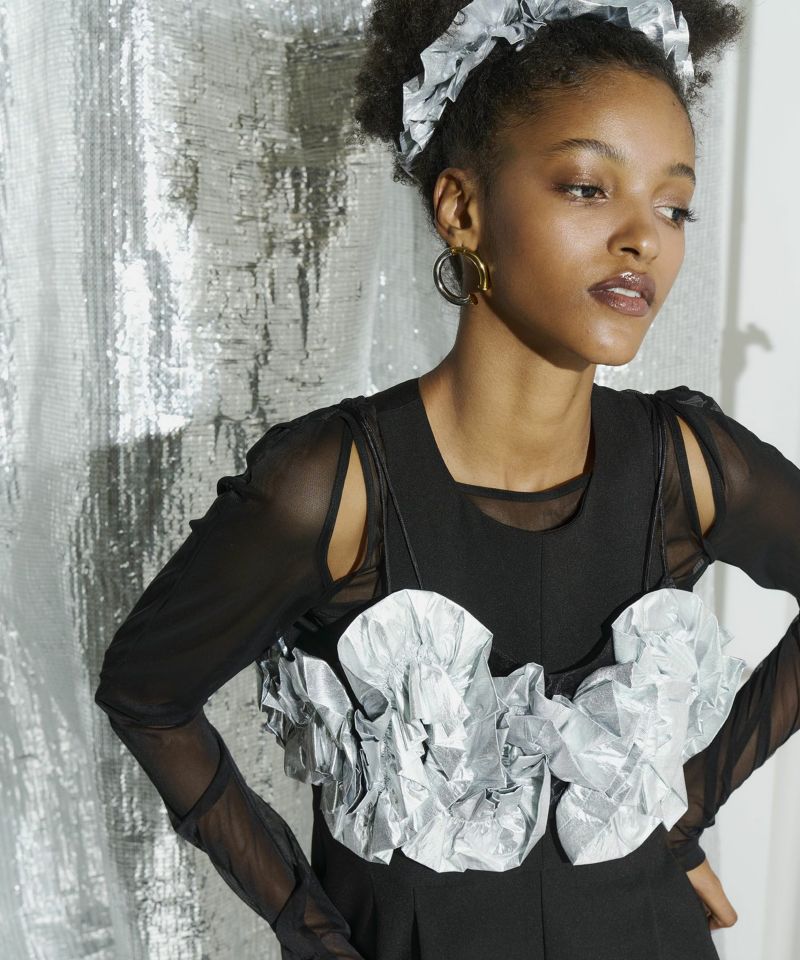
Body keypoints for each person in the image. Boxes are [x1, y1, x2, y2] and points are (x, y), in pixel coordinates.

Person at [94, 2, 800, 959]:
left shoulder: (690, 465)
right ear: (462, 210)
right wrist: (312, 929)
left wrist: (682, 812)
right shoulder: (330, 487)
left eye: (674, 206)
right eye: (588, 188)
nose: (644, 238)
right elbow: (147, 693)